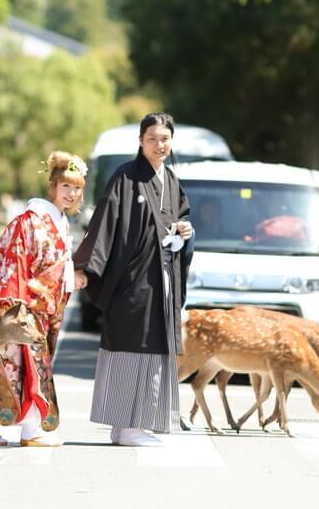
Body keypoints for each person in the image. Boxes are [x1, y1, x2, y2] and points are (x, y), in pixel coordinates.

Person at [73, 112, 194, 447]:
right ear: (141, 141)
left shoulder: (171, 180)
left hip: (161, 280)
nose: (159, 145)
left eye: (165, 139)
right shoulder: (126, 178)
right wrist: (85, 267)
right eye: (152, 138)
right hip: (132, 283)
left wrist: (185, 233)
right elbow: (105, 223)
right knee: (130, 348)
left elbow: (181, 219)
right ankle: (126, 426)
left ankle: (130, 423)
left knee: (154, 349)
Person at [0, 150, 86, 447]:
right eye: (66, 187)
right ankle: (30, 429)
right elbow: (14, 259)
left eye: (77, 188)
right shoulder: (30, 221)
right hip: (26, 307)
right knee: (26, 365)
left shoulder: (59, 221)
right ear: (53, 187)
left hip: (46, 307)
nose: (71, 194)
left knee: (11, 366)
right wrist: (16, 305)